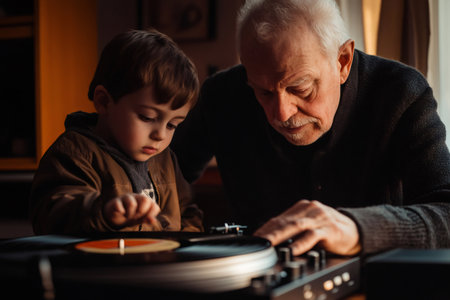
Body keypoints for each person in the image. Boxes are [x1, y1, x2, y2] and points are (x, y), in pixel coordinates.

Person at [171, 0, 450, 256]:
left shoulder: (401, 93)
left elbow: (446, 212)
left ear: (343, 61)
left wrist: (356, 228)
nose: (281, 113)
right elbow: (167, 172)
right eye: (263, 93)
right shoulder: (221, 96)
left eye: (301, 88)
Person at [29, 29, 203, 235]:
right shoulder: (75, 154)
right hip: (104, 267)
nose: (160, 135)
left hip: (158, 264)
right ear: (104, 101)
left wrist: (187, 241)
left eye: (172, 125)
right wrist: (103, 212)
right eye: (147, 117)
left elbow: (188, 211)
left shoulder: (165, 159)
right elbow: (53, 214)